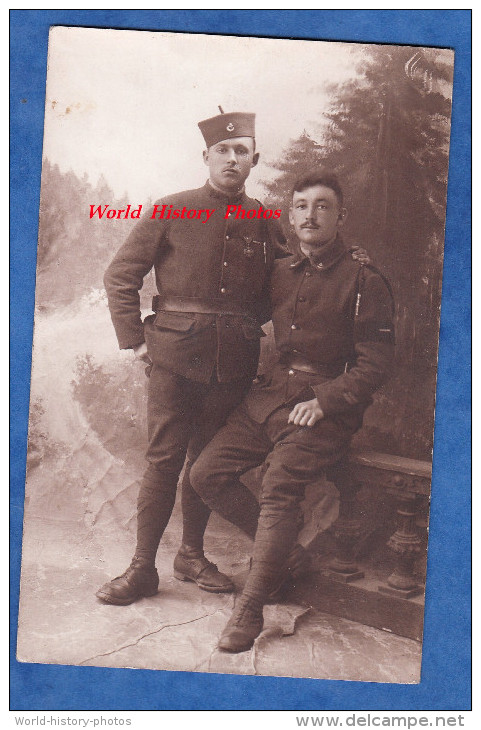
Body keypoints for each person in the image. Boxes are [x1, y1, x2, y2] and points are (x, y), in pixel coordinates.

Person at [190, 169, 395, 652]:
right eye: (301, 206)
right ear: (290, 216)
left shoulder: (365, 279)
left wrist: (324, 401)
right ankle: (287, 560)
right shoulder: (282, 270)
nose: (310, 215)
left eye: (322, 206)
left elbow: (376, 363)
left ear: (340, 216)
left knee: (279, 486)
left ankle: (250, 609)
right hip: (269, 397)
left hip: (327, 405)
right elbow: (237, 307)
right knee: (204, 474)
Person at [95, 110, 294, 605]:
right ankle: (142, 568)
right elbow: (120, 276)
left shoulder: (266, 222)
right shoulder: (172, 209)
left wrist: (251, 325)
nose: (232, 159)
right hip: (174, 358)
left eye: (241, 151)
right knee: (164, 460)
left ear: (255, 160)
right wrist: (138, 341)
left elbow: (285, 289)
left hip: (234, 363)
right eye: (223, 151)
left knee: (203, 461)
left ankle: (190, 554)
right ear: (205, 156)